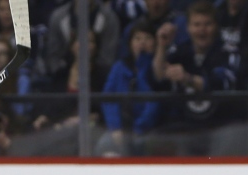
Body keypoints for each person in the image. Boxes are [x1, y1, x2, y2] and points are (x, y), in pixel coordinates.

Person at [151, 0, 239, 156]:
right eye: (196, 25)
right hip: (185, 126)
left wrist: (187, 78)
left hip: (220, 126)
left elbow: (221, 82)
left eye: (207, 24)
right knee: (155, 139)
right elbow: (158, 77)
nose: (202, 30)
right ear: (188, 28)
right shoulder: (181, 51)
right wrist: (162, 47)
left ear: (216, 27)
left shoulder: (227, 52)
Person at [98, 17, 161, 157]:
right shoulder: (119, 68)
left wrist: (138, 129)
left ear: (155, 43)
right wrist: (115, 127)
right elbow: (108, 98)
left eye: (147, 38)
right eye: (137, 38)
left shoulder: (157, 69)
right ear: (130, 43)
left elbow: (154, 103)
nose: (142, 43)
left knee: (141, 145)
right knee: (105, 145)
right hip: (121, 128)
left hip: (147, 130)